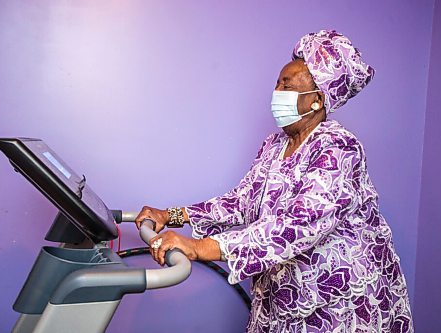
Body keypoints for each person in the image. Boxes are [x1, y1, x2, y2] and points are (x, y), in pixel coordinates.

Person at [135, 30, 413, 333]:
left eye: (286, 84)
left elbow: (298, 224)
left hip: (339, 303)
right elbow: (240, 201)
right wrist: (171, 216)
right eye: (277, 83)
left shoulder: (338, 147)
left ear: (317, 100)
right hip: (283, 295)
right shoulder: (275, 145)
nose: (276, 91)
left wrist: (201, 247)